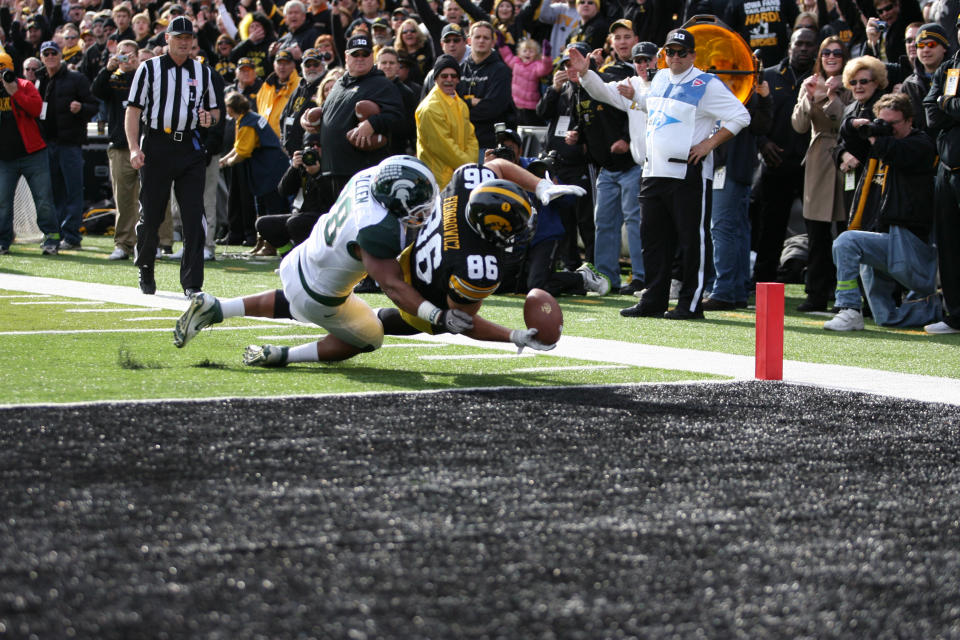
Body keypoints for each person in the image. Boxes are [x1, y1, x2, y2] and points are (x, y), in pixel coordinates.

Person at [173, 155, 472, 363]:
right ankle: (285, 355)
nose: (424, 210)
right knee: (371, 337)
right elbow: (393, 287)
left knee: (298, 297)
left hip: (301, 260)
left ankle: (217, 308)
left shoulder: (368, 177)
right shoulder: (378, 231)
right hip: (320, 297)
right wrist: (437, 316)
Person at [609, 28, 751, 320]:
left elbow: (740, 115)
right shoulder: (659, 77)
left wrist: (709, 143)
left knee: (690, 240)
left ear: (693, 55)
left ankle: (690, 302)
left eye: (681, 52)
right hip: (653, 170)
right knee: (653, 239)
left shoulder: (707, 82)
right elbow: (657, 108)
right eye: (670, 51)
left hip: (687, 171)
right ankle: (653, 298)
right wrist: (636, 97)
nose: (675, 57)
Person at [376, 160, 583, 347]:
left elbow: (499, 166)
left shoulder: (466, 182)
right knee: (442, 321)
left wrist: (540, 186)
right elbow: (464, 322)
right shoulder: (477, 268)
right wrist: (513, 336)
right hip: (424, 294)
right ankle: (376, 322)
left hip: (410, 257)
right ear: (492, 230)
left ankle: (375, 318)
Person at [823, 92, 942, 330]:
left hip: (911, 243)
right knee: (886, 317)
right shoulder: (879, 145)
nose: (886, 129)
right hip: (883, 237)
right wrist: (853, 123)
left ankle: (848, 308)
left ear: (909, 120)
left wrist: (877, 134)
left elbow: (896, 152)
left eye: (892, 124)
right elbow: (850, 141)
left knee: (847, 242)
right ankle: (935, 308)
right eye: (881, 122)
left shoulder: (922, 144)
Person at [125, 16, 220, 296]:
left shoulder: (203, 72)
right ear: (166, 39)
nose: (183, 42)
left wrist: (208, 120)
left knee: (194, 216)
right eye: (178, 37)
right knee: (152, 214)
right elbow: (133, 110)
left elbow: (215, 113)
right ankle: (145, 266)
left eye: (188, 38)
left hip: (189, 147)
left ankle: (192, 283)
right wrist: (134, 147)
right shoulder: (149, 68)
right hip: (157, 144)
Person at [564, 41, 645, 295]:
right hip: (606, 168)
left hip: (630, 164)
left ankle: (642, 277)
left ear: (590, 61)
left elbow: (632, 113)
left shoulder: (611, 79)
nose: (572, 68)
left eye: (577, 62)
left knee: (634, 220)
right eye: (568, 64)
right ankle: (608, 278)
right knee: (604, 222)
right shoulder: (574, 90)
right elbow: (584, 121)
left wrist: (627, 139)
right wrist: (578, 135)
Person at [791, 36, 853, 312]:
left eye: (837, 53)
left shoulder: (854, 82)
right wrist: (807, 96)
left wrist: (832, 96)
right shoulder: (810, 82)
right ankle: (815, 293)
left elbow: (846, 122)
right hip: (817, 161)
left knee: (845, 232)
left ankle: (846, 296)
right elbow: (799, 126)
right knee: (816, 233)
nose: (831, 56)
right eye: (826, 52)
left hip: (846, 159)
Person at [751, 27, 816, 285]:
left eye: (809, 44)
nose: (803, 49)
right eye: (799, 43)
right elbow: (750, 117)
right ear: (789, 46)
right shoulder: (767, 76)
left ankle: (818, 287)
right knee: (770, 228)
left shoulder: (820, 78)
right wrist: (761, 142)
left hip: (810, 166)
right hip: (774, 163)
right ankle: (762, 282)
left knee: (817, 228)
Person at [34, 40, 98, 251]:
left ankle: (71, 235)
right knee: (53, 192)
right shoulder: (39, 79)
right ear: (42, 57)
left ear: (60, 55)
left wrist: (81, 108)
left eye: (54, 53)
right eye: (47, 53)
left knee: (72, 191)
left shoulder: (76, 78)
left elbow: (93, 105)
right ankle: (57, 233)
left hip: (69, 145)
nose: (51, 56)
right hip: (47, 144)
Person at [318, 33, 402, 195]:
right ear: (346, 57)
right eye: (355, 54)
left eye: (365, 54)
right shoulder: (338, 85)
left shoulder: (382, 84)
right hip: (331, 170)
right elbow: (330, 120)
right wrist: (310, 122)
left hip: (361, 172)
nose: (360, 58)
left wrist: (372, 123)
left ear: (372, 56)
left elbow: (398, 118)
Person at [0, 50, 61, 256]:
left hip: (33, 153)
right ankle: (3, 241)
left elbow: (36, 109)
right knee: (2, 201)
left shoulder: (25, 85)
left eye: (3, 69)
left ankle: (51, 237)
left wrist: (14, 92)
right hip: (4, 158)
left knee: (43, 198)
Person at [921, 16, 960, 334]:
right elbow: (931, 114)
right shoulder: (951, 67)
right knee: (948, 243)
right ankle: (955, 314)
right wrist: (949, 105)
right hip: (948, 168)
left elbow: (944, 106)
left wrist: (949, 103)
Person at [91, 38, 140, 260]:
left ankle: (153, 243)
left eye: (130, 54)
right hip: (120, 146)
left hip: (146, 145)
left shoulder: (145, 78)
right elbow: (96, 91)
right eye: (122, 54)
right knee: (122, 199)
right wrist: (108, 68)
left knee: (151, 198)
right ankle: (123, 243)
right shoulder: (112, 79)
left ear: (137, 57)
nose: (126, 58)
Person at [415, 54, 478, 189]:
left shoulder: (461, 104)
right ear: (436, 78)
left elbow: (471, 138)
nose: (449, 79)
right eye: (444, 76)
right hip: (439, 182)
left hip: (460, 178)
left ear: (458, 79)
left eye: (453, 76)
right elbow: (445, 148)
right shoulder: (430, 108)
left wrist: (470, 165)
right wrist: (469, 166)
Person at [460, 21, 516, 148]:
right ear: (469, 40)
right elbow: (450, 101)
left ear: (493, 42)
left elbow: (492, 108)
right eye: (477, 37)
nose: (481, 41)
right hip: (461, 143)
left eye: (486, 38)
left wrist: (460, 111)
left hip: (489, 145)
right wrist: (472, 102)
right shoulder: (459, 70)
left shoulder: (501, 71)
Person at [901, 23, 949, 133]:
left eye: (931, 44)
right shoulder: (909, 85)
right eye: (921, 46)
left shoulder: (955, 77)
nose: (926, 50)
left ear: (944, 48)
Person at [498, 38, 554, 126]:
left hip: (530, 106)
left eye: (531, 51)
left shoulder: (536, 66)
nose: (528, 53)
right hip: (516, 104)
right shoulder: (516, 62)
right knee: (518, 126)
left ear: (536, 55)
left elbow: (546, 68)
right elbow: (507, 56)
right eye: (525, 51)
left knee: (530, 127)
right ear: (519, 53)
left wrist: (546, 56)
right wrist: (502, 45)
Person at [256, 48, 300, 137]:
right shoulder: (266, 87)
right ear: (274, 65)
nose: (282, 67)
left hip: (287, 142)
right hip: (264, 142)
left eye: (286, 63)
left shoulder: (300, 85)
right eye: (279, 63)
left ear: (293, 65)